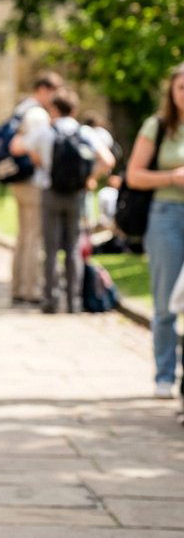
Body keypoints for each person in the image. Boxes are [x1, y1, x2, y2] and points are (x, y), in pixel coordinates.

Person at [23, 89, 114, 314]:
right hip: (76, 194)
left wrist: (43, 164)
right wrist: (89, 178)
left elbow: (26, 149)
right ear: (74, 110)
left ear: (53, 109)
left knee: (51, 248)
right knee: (73, 247)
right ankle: (74, 301)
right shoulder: (84, 132)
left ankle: (51, 300)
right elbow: (107, 160)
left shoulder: (45, 131)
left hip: (50, 191)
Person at [126, 63, 184, 399]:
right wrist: (172, 177)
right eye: (180, 88)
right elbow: (134, 175)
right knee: (165, 302)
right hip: (167, 214)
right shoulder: (159, 126)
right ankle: (164, 372)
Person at [6, 73, 62, 305]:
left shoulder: (22, 109)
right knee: (33, 236)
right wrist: (45, 161)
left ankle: (18, 285)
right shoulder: (37, 113)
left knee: (23, 235)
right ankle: (31, 288)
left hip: (19, 180)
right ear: (43, 89)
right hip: (32, 181)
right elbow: (27, 147)